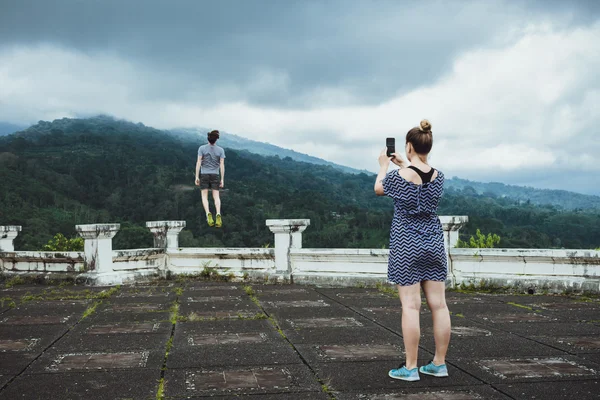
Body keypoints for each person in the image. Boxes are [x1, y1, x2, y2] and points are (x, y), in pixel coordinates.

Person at [374, 119, 451, 382]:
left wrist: (385, 165)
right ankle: (439, 363)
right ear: (427, 146)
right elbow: (422, 180)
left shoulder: (399, 175)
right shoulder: (439, 176)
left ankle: (410, 367)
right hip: (433, 241)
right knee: (439, 305)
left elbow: (379, 189)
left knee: (410, 306)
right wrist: (405, 163)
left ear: (408, 146)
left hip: (407, 243)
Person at [195, 130, 226, 228]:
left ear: (208, 139)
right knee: (216, 196)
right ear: (216, 139)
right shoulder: (220, 150)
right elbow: (222, 165)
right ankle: (218, 213)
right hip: (215, 175)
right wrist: (222, 179)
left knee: (204, 196)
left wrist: (196, 176)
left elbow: (199, 162)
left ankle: (208, 213)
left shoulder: (202, 148)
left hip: (204, 174)